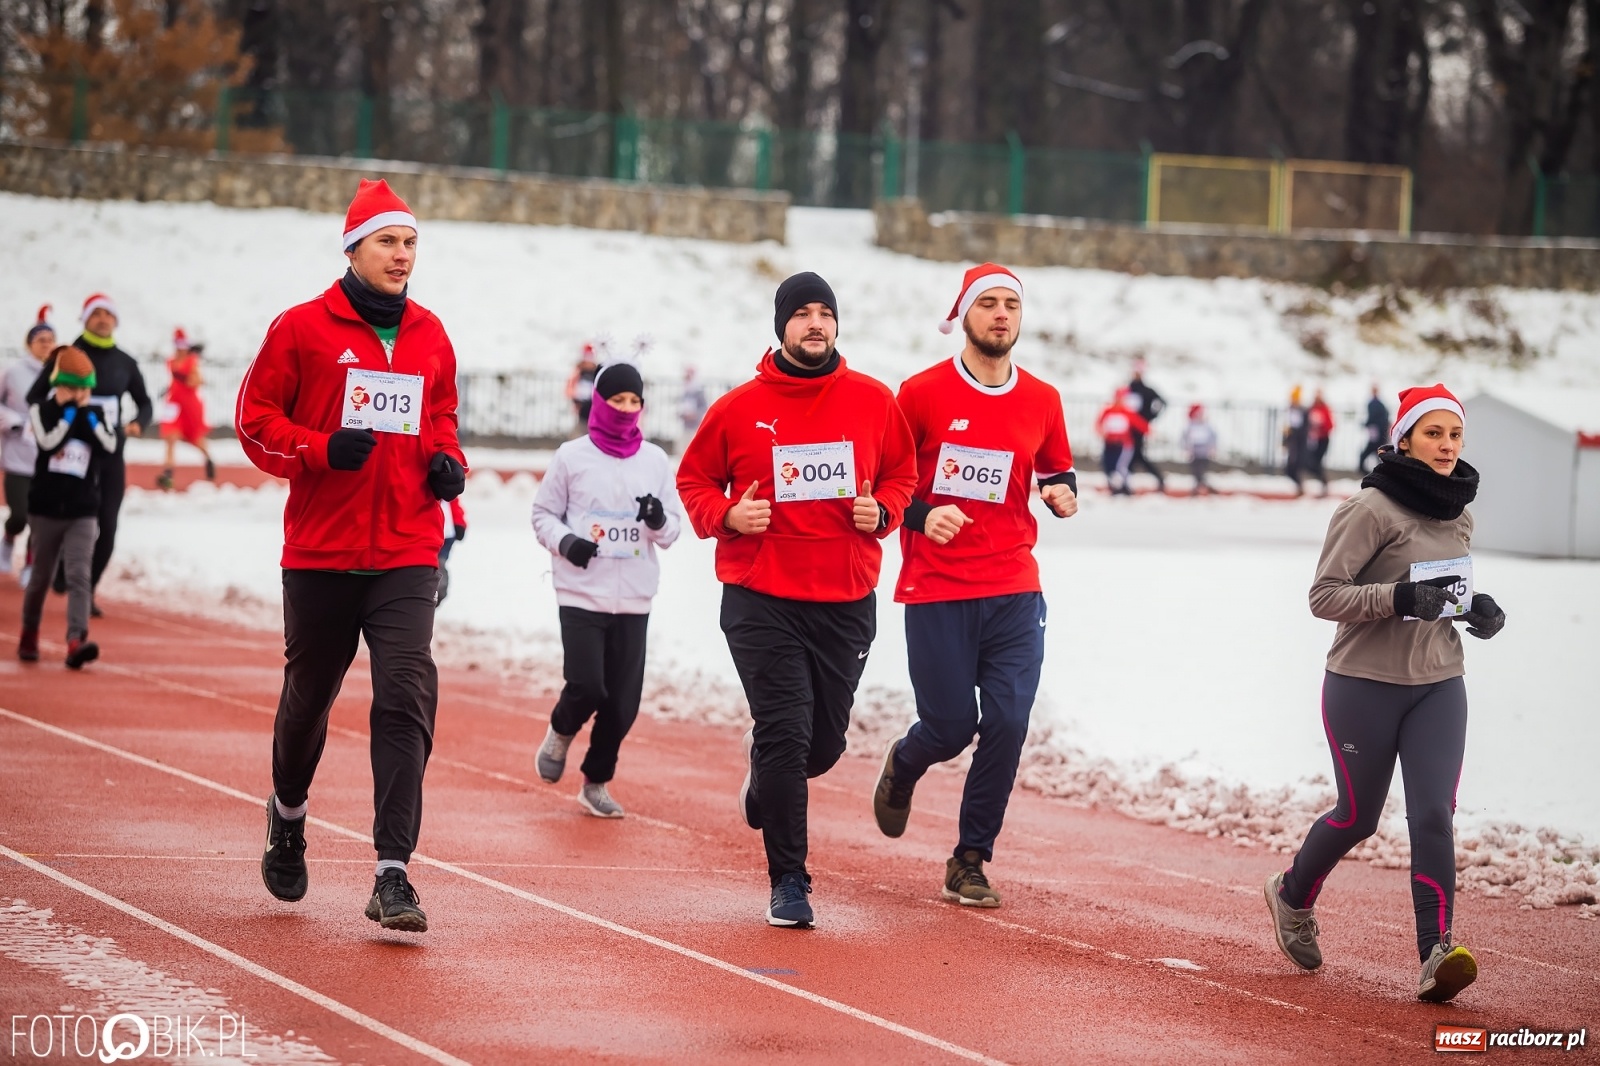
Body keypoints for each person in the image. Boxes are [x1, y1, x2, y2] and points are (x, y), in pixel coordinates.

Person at [237, 178, 466, 934]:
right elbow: (254, 419)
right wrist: (318, 447)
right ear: (352, 248)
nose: (403, 255)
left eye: (410, 243)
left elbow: (439, 419)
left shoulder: (432, 335)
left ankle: (392, 872)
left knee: (406, 692)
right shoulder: (302, 328)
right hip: (322, 551)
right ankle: (289, 811)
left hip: (405, 547)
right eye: (388, 242)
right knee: (309, 701)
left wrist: (446, 464)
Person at [676, 271, 917, 928]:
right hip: (761, 596)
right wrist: (727, 516)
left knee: (821, 748)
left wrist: (887, 508)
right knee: (784, 734)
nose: (815, 323)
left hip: (844, 594)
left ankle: (766, 781)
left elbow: (903, 471)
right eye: (802, 314)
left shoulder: (872, 400)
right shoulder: (738, 407)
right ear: (781, 326)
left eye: (824, 313)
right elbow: (693, 480)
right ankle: (790, 880)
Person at [1264, 383, 1505, 1004]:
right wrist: (1398, 599)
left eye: (1455, 434)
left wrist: (1473, 608)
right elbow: (1325, 597)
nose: (1447, 445)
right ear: (1404, 439)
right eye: (1434, 433)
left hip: (1438, 685)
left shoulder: (1459, 511)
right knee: (1357, 817)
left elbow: (1440, 592)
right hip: (1362, 686)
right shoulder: (1368, 510)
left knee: (1433, 815)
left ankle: (1436, 953)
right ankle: (1291, 895)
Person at [871, 263, 1078, 909]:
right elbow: (886, 482)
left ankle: (970, 858)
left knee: (1009, 722)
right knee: (951, 726)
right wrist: (923, 515)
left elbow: (1059, 467)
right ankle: (905, 763)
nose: (999, 316)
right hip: (938, 587)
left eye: (1010, 306)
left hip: (1015, 584)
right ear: (964, 314)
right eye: (986, 304)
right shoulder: (922, 392)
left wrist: (1063, 492)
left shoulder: (1042, 399)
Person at [532, 360, 682, 818]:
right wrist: (568, 542)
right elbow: (542, 515)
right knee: (586, 686)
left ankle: (596, 781)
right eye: (617, 400)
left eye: (634, 401)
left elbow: (674, 530)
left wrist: (657, 520)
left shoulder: (655, 460)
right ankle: (560, 732)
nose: (626, 408)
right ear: (599, 402)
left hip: (634, 597)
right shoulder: (571, 456)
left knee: (622, 704)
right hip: (581, 591)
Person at [27, 293, 153, 617]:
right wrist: (62, 406)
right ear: (84, 318)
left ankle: (88, 588)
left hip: (108, 453)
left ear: (115, 321)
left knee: (107, 527)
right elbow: (35, 395)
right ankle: (55, 573)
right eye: (95, 313)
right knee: (59, 519)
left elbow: (145, 402)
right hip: (67, 452)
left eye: (107, 314)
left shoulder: (125, 362)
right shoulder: (66, 356)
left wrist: (138, 422)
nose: (102, 319)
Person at [17, 347, 118, 669]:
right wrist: (68, 416)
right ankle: (29, 631)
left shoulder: (95, 414)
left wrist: (87, 416)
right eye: (73, 388)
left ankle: (77, 639)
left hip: (82, 510)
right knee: (41, 578)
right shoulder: (42, 410)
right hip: (45, 509)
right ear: (58, 385)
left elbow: (109, 446)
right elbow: (49, 443)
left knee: (79, 575)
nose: (79, 395)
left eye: (85, 389)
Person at [2, 306, 54, 583]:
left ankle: (30, 565)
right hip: (17, 455)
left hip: (47, 456)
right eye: (40, 340)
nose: (46, 345)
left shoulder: (60, 373)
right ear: (29, 343)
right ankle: (9, 537)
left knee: (39, 517)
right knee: (20, 515)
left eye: (50, 340)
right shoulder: (13, 372)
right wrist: (14, 421)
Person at [157, 329, 215, 490]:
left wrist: (186, 379)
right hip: (174, 405)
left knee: (195, 438)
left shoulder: (192, 362)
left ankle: (208, 458)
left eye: (182, 346)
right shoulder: (170, 362)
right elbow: (174, 382)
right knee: (170, 437)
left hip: (190, 406)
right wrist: (167, 389)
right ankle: (168, 473)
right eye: (177, 346)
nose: (180, 349)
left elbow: (198, 381)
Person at [1096, 389, 1147, 496]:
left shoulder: (1127, 412)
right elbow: (1099, 424)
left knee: (1121, 466)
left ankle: (1126, 487)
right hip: (1110, 443)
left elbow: (1140, 424)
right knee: (1108, 466)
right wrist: (1101, 432)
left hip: (1123, 445)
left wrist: (1149, 431)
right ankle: (1114, 486)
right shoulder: (1108, 411)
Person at [1126, 359, 1166, 492]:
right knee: (1131, 455)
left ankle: (1125, 484)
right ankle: (1125, 484)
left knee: (1136, 455)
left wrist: (1149, 417)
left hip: (1139, 429)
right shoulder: (1127, 389)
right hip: (1127, 429)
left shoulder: (1147, 391)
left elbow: (1162, 402)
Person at [435, 497, 466, 606]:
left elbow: (453, 502)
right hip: (428, 535)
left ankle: (437, 595)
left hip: (446, 534)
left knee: (439, 566)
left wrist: (459, 523)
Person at [1182, 403, 1218, 496]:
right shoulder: (1190, 426)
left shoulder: (1206, 426)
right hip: (1194, 453)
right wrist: (1187, 449)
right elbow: (1185, 438)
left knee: (1202, 469)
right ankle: (1201, 486)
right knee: (1196, 470)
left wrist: (1213, 447)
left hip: (1204, 452)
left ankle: (1200, 486)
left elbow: (1213, 437)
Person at [1306, 388, 1334, 497]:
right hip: (1313, 439)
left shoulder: (1325, 408)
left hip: (1323, 439)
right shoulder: (1312, 408)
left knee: (1317, 461)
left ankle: (1324, 483)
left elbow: (1330, 424)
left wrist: (1321, 428)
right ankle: (1322, 481)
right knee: (1311, 462)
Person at [565, 343, 600, 431]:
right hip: (582, 408)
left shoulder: (596, 372)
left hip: (594, 407)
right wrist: (576, 400)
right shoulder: (578, 372)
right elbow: (570, 388)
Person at [1283, 386, 1309, 496]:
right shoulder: (1290, 410)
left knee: (1296, 465)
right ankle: (1299, 486)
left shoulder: (1303, 411)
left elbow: (1304, 428)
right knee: (1289, 468)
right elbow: (1287, 428)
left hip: (1300, 443)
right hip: (1292, 442)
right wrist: (1285, 440)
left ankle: (1301, 487)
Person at [1360, 385, 1389, 473]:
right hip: (1380, 432)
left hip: (1376, 433)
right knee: (1378, 454)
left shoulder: (1373, 403)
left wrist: (1366, 424)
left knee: (1370, 453)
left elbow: (1372, 417)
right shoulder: (1381, 404)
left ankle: (1364, 470)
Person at [677, 364, 709, 438]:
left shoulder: (699, 391)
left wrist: (694, 415)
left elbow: (704, 408)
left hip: (695, 427)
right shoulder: (685, 390)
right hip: (685, 426)